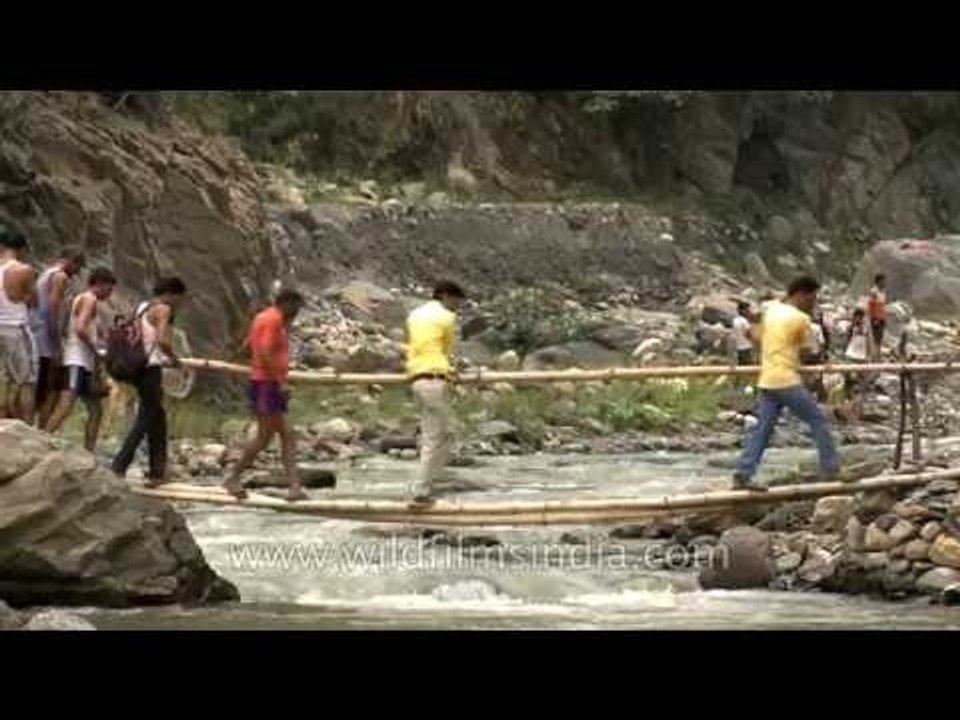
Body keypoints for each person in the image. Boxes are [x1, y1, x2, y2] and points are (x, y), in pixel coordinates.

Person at [733, 276, 840, 491]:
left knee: (762, 429)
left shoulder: (772, 310)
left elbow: (755, 335)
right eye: (813, 298)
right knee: (818, 419)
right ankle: (831, 469)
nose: (814, 303)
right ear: (803, 294)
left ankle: (744, 473)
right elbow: (811, 351)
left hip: (767, 379)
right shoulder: (800, 319)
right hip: (786, 379)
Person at [223, 289, 307, 502]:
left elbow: (248, 346)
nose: (297, 313)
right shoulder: (273, 320)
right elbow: (264, 350)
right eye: (296, 308)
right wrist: (281, 381)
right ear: (287, 303)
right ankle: (233, 477)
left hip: (264, 382)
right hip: (267, 384)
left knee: (287, 434)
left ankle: (295, 487)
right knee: (264, 437)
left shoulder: (262, 317)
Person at [111, 277, 187, 487]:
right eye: (180, 298)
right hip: (150, 368)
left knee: (157, 417)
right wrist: (176, 360)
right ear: (172, 294)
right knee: (145, 418)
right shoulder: (163, 309)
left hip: (136, 367)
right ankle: (119, 465)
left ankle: (157, 471)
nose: (180, 303)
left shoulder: (143, 307)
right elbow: (162, 340)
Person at [405, 280, 466, 504]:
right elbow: (446, 350)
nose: (457, 306)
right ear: (446, 296)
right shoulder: (446, 317)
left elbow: (420, 346)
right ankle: (420, 491)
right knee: (443, 436)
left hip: (416, 377)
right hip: (434, 378)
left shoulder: (414, 314)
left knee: (433, 435)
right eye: (457, 301)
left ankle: (424, 487)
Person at [45, 268, 116, 450]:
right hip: (77, 359)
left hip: (84, 361)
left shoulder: (81, 298)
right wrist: (96, 349)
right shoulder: (89, 298)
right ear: (100, 283)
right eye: (109, 288)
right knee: (66, 404)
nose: (110, 293)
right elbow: (80, 328)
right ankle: (42, 440)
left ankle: (89, 451)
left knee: (96, 410)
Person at [31, 250, 87, 428]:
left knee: (39, 387)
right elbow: (52, 309)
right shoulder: (60, 277)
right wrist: (57, 343)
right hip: (46, 339)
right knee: (50, 389)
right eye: (77, 267)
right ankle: (39, 430)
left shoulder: (45, 275)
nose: (76, 272)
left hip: (36, 335)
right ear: (69, 261)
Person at [0, 223, 37, 421]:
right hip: (16, 327)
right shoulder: (23, 269)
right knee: (26, 381)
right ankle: (28, 426)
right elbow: (33, 300)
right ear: (21, 248)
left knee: (4, 378)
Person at [839, 308, 870, 423]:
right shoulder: (851, 327)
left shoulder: (866, 329)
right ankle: (846, 410)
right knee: (848, 383)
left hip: (861, 358)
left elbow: (869, 342)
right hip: (850, 356)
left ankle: (857, 412)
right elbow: (846, 342)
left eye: (860, 317)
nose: (858, 319)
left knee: (860, 385)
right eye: (856, 316)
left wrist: (868, 357)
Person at [866, 273, 887, 360]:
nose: (884, 283)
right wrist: (874, 318)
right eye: (883, 281)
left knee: (879, 339)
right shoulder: (874, 292)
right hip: (876, 319)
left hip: (881, 318)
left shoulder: (883, 292)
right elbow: (871, 306)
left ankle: (877, 356)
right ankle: (873, 357)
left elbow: (882, 306)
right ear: (878, 281)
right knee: (875, 339)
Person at [732, 301, 755, 367]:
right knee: (748, 367)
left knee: (741, 367)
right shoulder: (744, 321)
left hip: (738, 347)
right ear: (742, 310)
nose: (748, 312)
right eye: (747, 310)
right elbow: (748, 334)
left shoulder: (735, 320)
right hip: (746, 347)